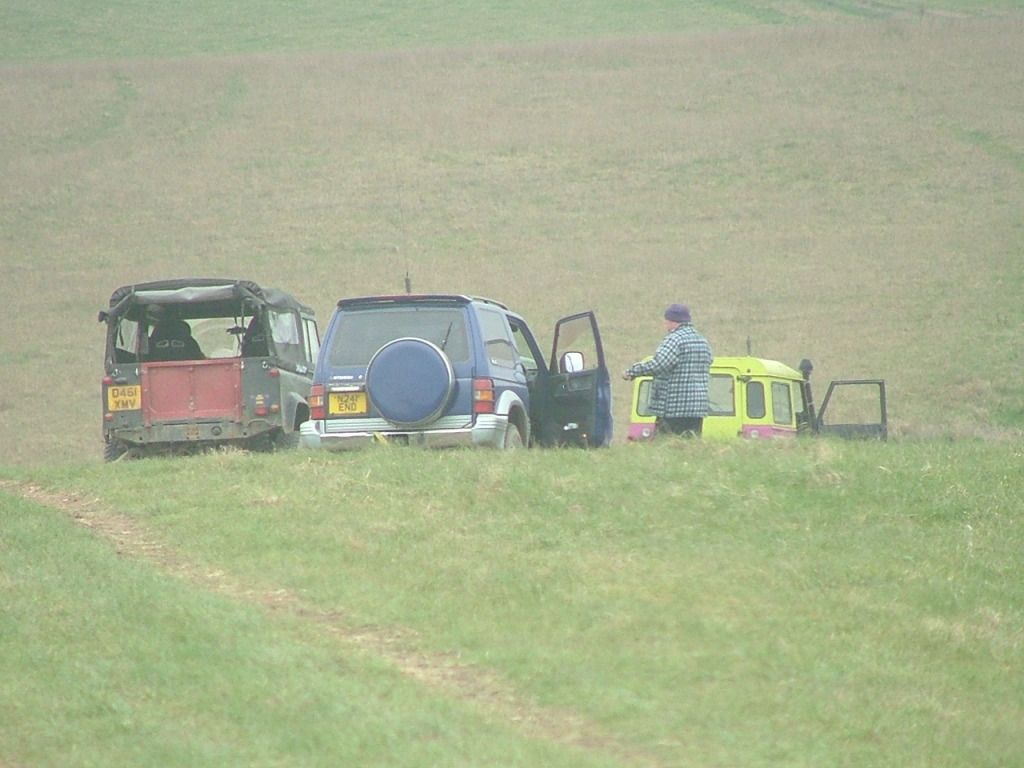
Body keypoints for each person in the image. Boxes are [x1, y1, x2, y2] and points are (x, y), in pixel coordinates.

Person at [623, 303, 712, 437]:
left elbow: (660, 364)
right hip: (697, 407)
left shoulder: (674, 340)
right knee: (691, 446)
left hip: (674, 408)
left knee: (667, 446)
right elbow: (709, 361)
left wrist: (633, 371)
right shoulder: (702, 341)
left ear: (672, 321)